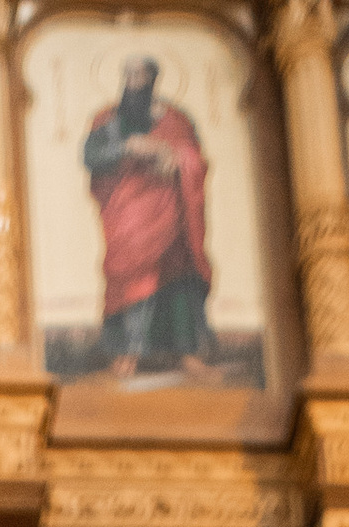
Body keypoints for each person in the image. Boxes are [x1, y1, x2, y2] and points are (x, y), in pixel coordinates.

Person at [81, 61, 214, 377]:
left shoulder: (177, 120)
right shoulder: (108, 119)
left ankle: (186, 352)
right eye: (127, 75)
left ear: (153, 78)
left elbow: (195, 156)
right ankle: (126, 352)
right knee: (128, 272)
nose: (132, 81)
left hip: (172, 208)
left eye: (139, 75)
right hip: (127, 209)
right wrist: (128, 146)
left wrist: (177, 157)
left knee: (178, 272)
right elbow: (91, 156)